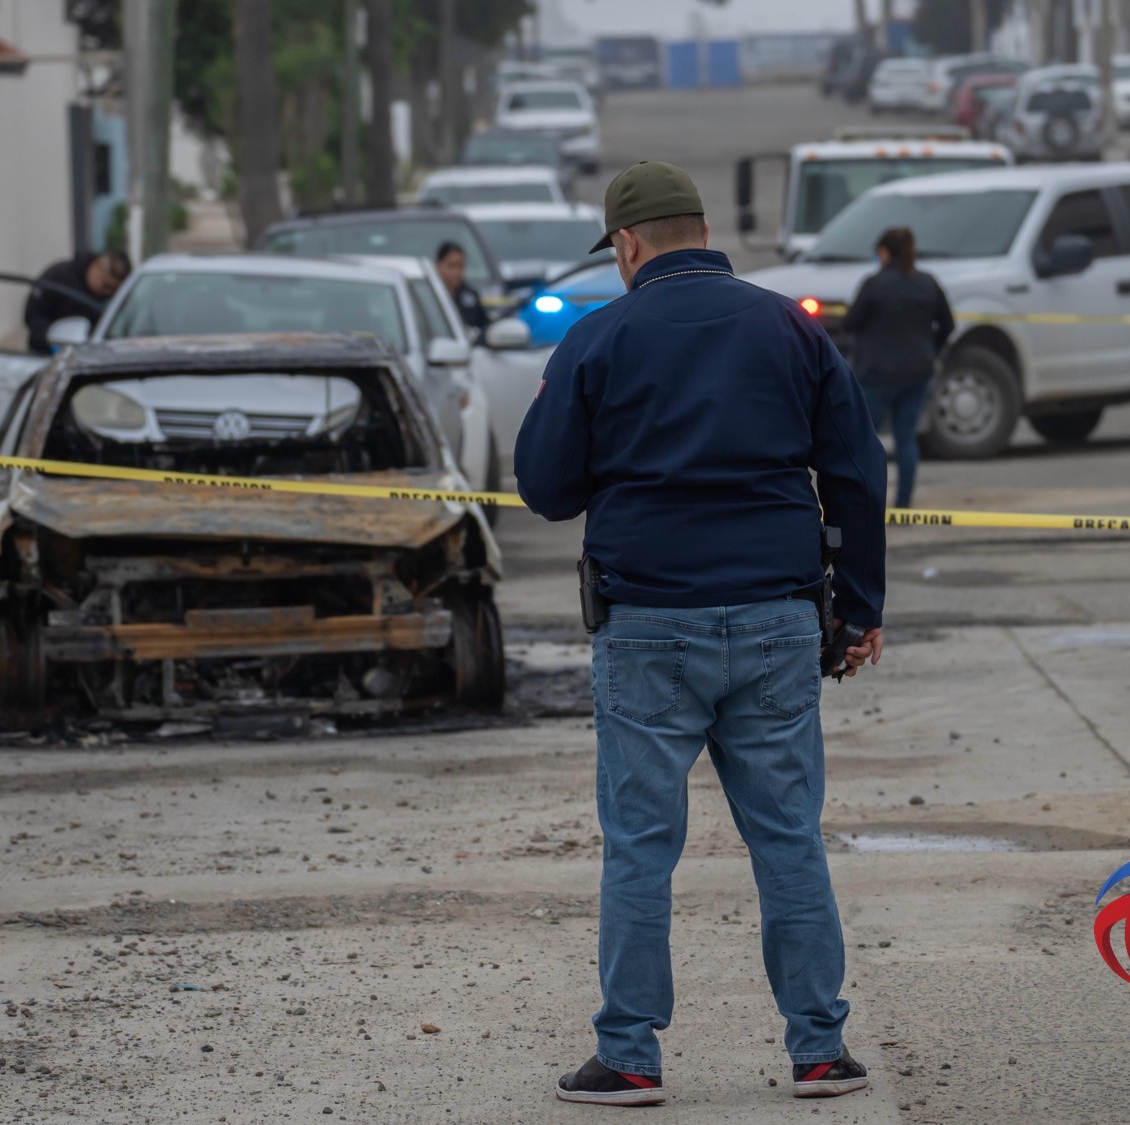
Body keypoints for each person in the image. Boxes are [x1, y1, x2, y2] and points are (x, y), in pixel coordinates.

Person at [514, 161, 887, 1108]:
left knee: (640, 844)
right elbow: (854, 469)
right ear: (702, 228)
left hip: (646, 626)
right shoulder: (787, 327)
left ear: (628, 245)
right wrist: (859, 607)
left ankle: (630, 1057)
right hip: (774, 621)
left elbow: (545, 489)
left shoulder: (600, 339)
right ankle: (816, 1051)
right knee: (787, 840)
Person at [841, 226, 954, 510]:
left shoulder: (875, 284)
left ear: (884, 252)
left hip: (877, 374)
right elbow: (948, 324)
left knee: (865, 439)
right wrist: (931, 351)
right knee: (906, 437)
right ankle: (904, 503)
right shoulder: (928, 282)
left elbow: (851, 323)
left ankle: (865, 500)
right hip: (917, 373)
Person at [23, 250, 131, 355]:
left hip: (89, 357)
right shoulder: (58, 276)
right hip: (45, 354)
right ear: (97, 265)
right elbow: (32, 313)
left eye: (113, 290)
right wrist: (52, 336)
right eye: (106, 286)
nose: (108, 292)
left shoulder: (112, 298)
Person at [435, 241, 489, 336]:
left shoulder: (471, 296)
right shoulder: (430, 295)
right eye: (451, 266)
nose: (456, 272)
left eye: (460, 266)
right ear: (438, 266)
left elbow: (485, 327)